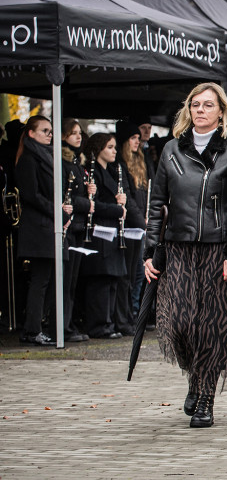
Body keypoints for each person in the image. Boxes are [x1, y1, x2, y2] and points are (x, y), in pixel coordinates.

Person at [144, 82, 227, 429]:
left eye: (208, 105)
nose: (200, 110)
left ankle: (205, 396)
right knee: (179, 322)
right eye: (195, 104)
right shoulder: (171, 150)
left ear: (221, 112)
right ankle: (196, 377)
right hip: (178, 248)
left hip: (217, 250)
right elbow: (157, 203)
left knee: (210, 326)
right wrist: (151, 250)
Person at [14, 116, 70, 345]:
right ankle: (32, 329)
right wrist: (58, 212)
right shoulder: (29, 159)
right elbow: (32, 195)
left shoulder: (47, 156)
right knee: (41, 279)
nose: (50, 135)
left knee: (48, 279)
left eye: (51, 131)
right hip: (39, 227)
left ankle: (37, 326)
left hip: (49, 223)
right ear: (31, 133)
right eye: (45, 131)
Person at [80, 133, 131, 340]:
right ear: (98, 148)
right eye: (109, 147)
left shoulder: (111, 171)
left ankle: (109, 322)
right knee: (101, 280)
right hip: (100, 231)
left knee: (112, 279)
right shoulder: (93, 172)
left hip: (112, 231)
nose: (114, 151)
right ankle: (99, 324)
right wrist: (117, 209)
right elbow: (95, 204)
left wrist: (122, 202)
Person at [114, 120, 147, 335]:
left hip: (140, 226)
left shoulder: (140, 162)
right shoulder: (121, 165)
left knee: (138, 275)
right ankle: (127, 315)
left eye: (138, 138)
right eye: (133, 138)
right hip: (129, 227)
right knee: (130, 275)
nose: (137, 142)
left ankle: (133, 314)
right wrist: (141, 220)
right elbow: (129, 197)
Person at [60, 119, 91, 342]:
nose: (78, 137)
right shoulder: (63, 162)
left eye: (79, 133)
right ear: (64, 136)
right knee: (66, 280)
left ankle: (69, 323)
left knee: (72, 281)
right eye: (73, 133)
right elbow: (67, 196)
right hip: (69, 225)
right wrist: (87, 203)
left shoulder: (77, 162)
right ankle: (63, 326)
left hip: (78, 225)